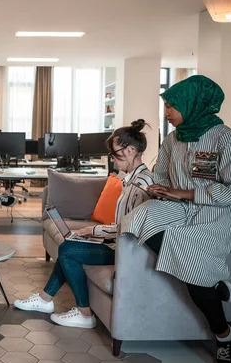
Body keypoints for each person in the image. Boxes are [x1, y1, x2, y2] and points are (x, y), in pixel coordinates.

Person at [120, 75, 231, 363]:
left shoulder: (224, 138)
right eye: (165, 105)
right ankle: (214, 284)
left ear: (193, 104)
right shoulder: (173, 139)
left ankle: (225, 334)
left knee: (194, 269)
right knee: (138, 217)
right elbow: (161, 174)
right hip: (178, 208)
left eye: (172, 105)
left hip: (213, 213)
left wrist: (187, 193)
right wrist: (158, 189)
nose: (166, 111)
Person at [14, 120, 154, 328]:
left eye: (115, 155)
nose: (113, 161)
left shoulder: (142, 185)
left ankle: (84, 313)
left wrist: (94, 230)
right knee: (69, 244)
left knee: (68, 250)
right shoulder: (131, 179)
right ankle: (45, 299)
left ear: (131, 150)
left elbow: (130, 230)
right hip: (116, 243)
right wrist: (95, 234)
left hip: (125, 250)